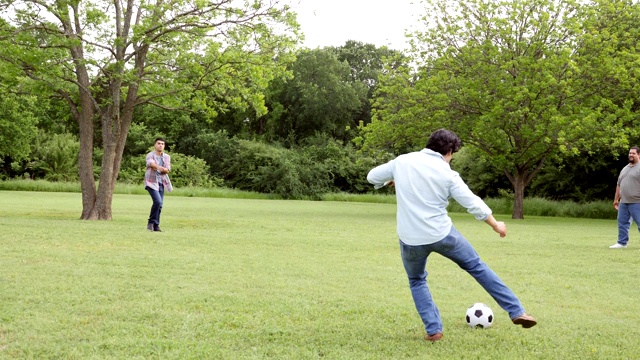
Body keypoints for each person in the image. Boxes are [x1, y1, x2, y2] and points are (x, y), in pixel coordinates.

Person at [367, 129, 536, 342]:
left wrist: (392, 180)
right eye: (452, 155)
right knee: (477, 267)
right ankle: (517, 311)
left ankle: (433, 330)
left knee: (417, 280)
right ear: (448, 151)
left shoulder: (402, 162)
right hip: (442, 235)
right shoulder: (447, 173)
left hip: (410, 239)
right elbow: (472, 202)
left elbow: (371, 177)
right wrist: (495, 224)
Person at [609, 146, 640, 249]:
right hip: (624, 202)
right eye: (630, 153)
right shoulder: (625, 168)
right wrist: (616, 199)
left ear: (638, 155)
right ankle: (622, 243)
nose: (631, 155)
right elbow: (619, 185)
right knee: (622, 223)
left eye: (633, 153)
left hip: (637, 202)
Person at [145, 137, 173, 232]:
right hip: (151, 182)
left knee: (160, 204)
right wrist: (161, 168)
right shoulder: (150, 155)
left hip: (161, 182)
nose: (160, 145)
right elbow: (151, 164)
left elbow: (168, 169)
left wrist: (159, 168)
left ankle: (156, 225)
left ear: (164, 146)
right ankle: (151, 222)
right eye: (159, 143)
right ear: (155, 145)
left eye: (162, 144)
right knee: (157, 202)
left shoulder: (167, 157)